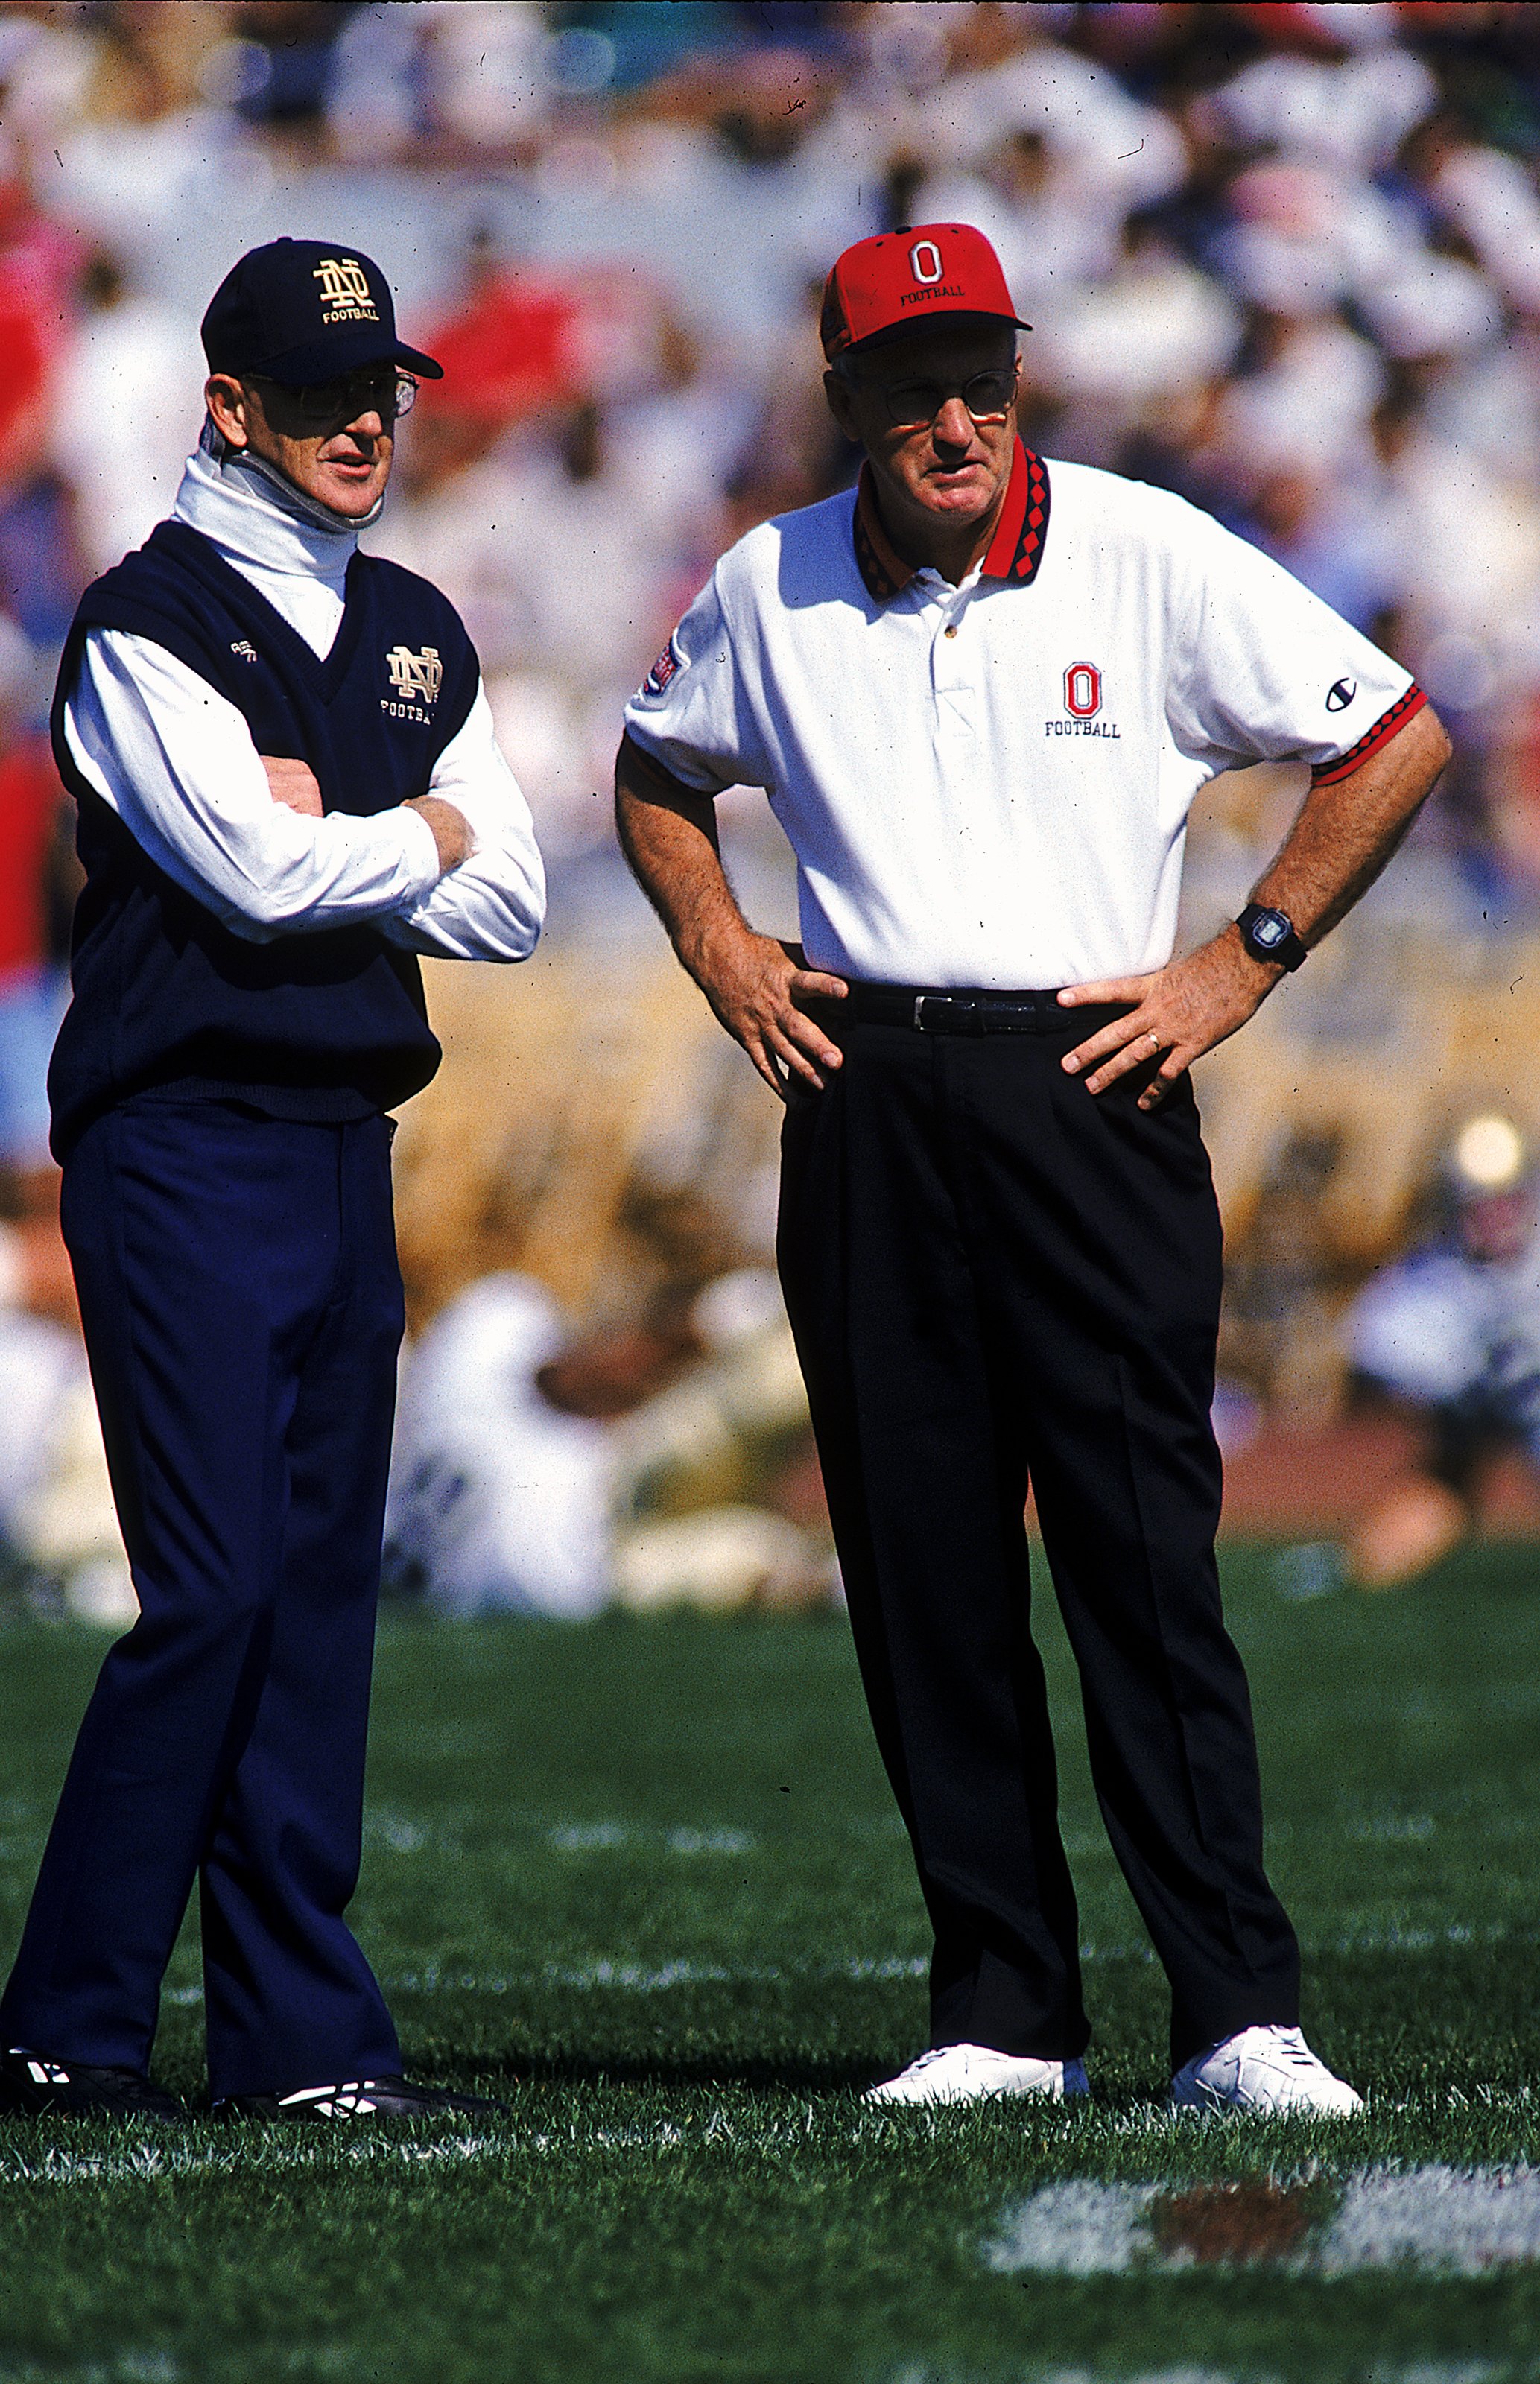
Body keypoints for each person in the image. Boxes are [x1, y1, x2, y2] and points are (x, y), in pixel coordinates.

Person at [615, 222, 1451, 2114]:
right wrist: (724, 949)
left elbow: (1389, 734)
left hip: (1091, 1082)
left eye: (981, 371)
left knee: (1143, 1562)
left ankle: (1239, 2012)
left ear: (1021, 374)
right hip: (864, 1092)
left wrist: (1238, 962)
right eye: (911, 381)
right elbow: (657, 770)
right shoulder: (766, 582)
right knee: (920, 1572)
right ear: (843, 398)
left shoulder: (1144, 550)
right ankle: (1000, 2013)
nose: (953, 414)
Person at [0, 238, 545, 2124]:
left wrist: (354, 823)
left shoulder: (410, 622)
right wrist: (418, 826)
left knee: (314, 1604)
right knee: (215, 1590)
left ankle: (303, 2046)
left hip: (344, 1148)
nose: (361, 422)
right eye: (317, 392)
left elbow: (519, 896)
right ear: (226, 407)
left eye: (381, 387)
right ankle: (64, 2021)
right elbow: (248, 877)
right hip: (180, 1148)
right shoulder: (141, 622)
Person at [1347, 1114, 1540, 1588]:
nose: (1495, 1214)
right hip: (1476, 1421)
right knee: (1381, 1559)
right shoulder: (1427, 1279)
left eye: (1506, 1199)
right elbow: (1379, 1354)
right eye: (1479, 1202)